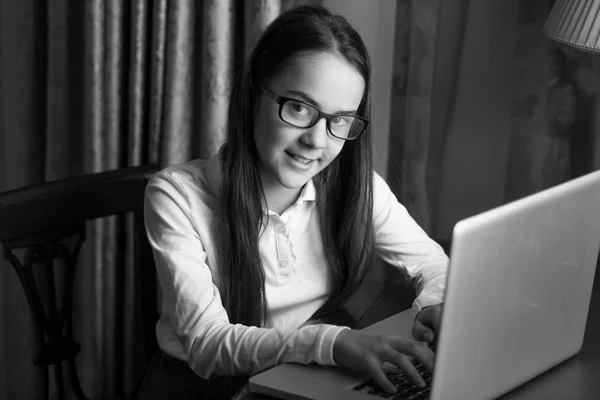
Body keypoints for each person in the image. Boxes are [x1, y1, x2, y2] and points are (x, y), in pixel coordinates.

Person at [137, 5, 448, 399]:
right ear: (254, 93)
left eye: (340, 120)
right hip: (202, 388)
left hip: (301, 374)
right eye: (300, 107)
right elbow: (207, 345)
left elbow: (432, 262)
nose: (317, 142)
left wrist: (432, 305)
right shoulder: (177, 195)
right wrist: (334, 344)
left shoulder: (356, 187)